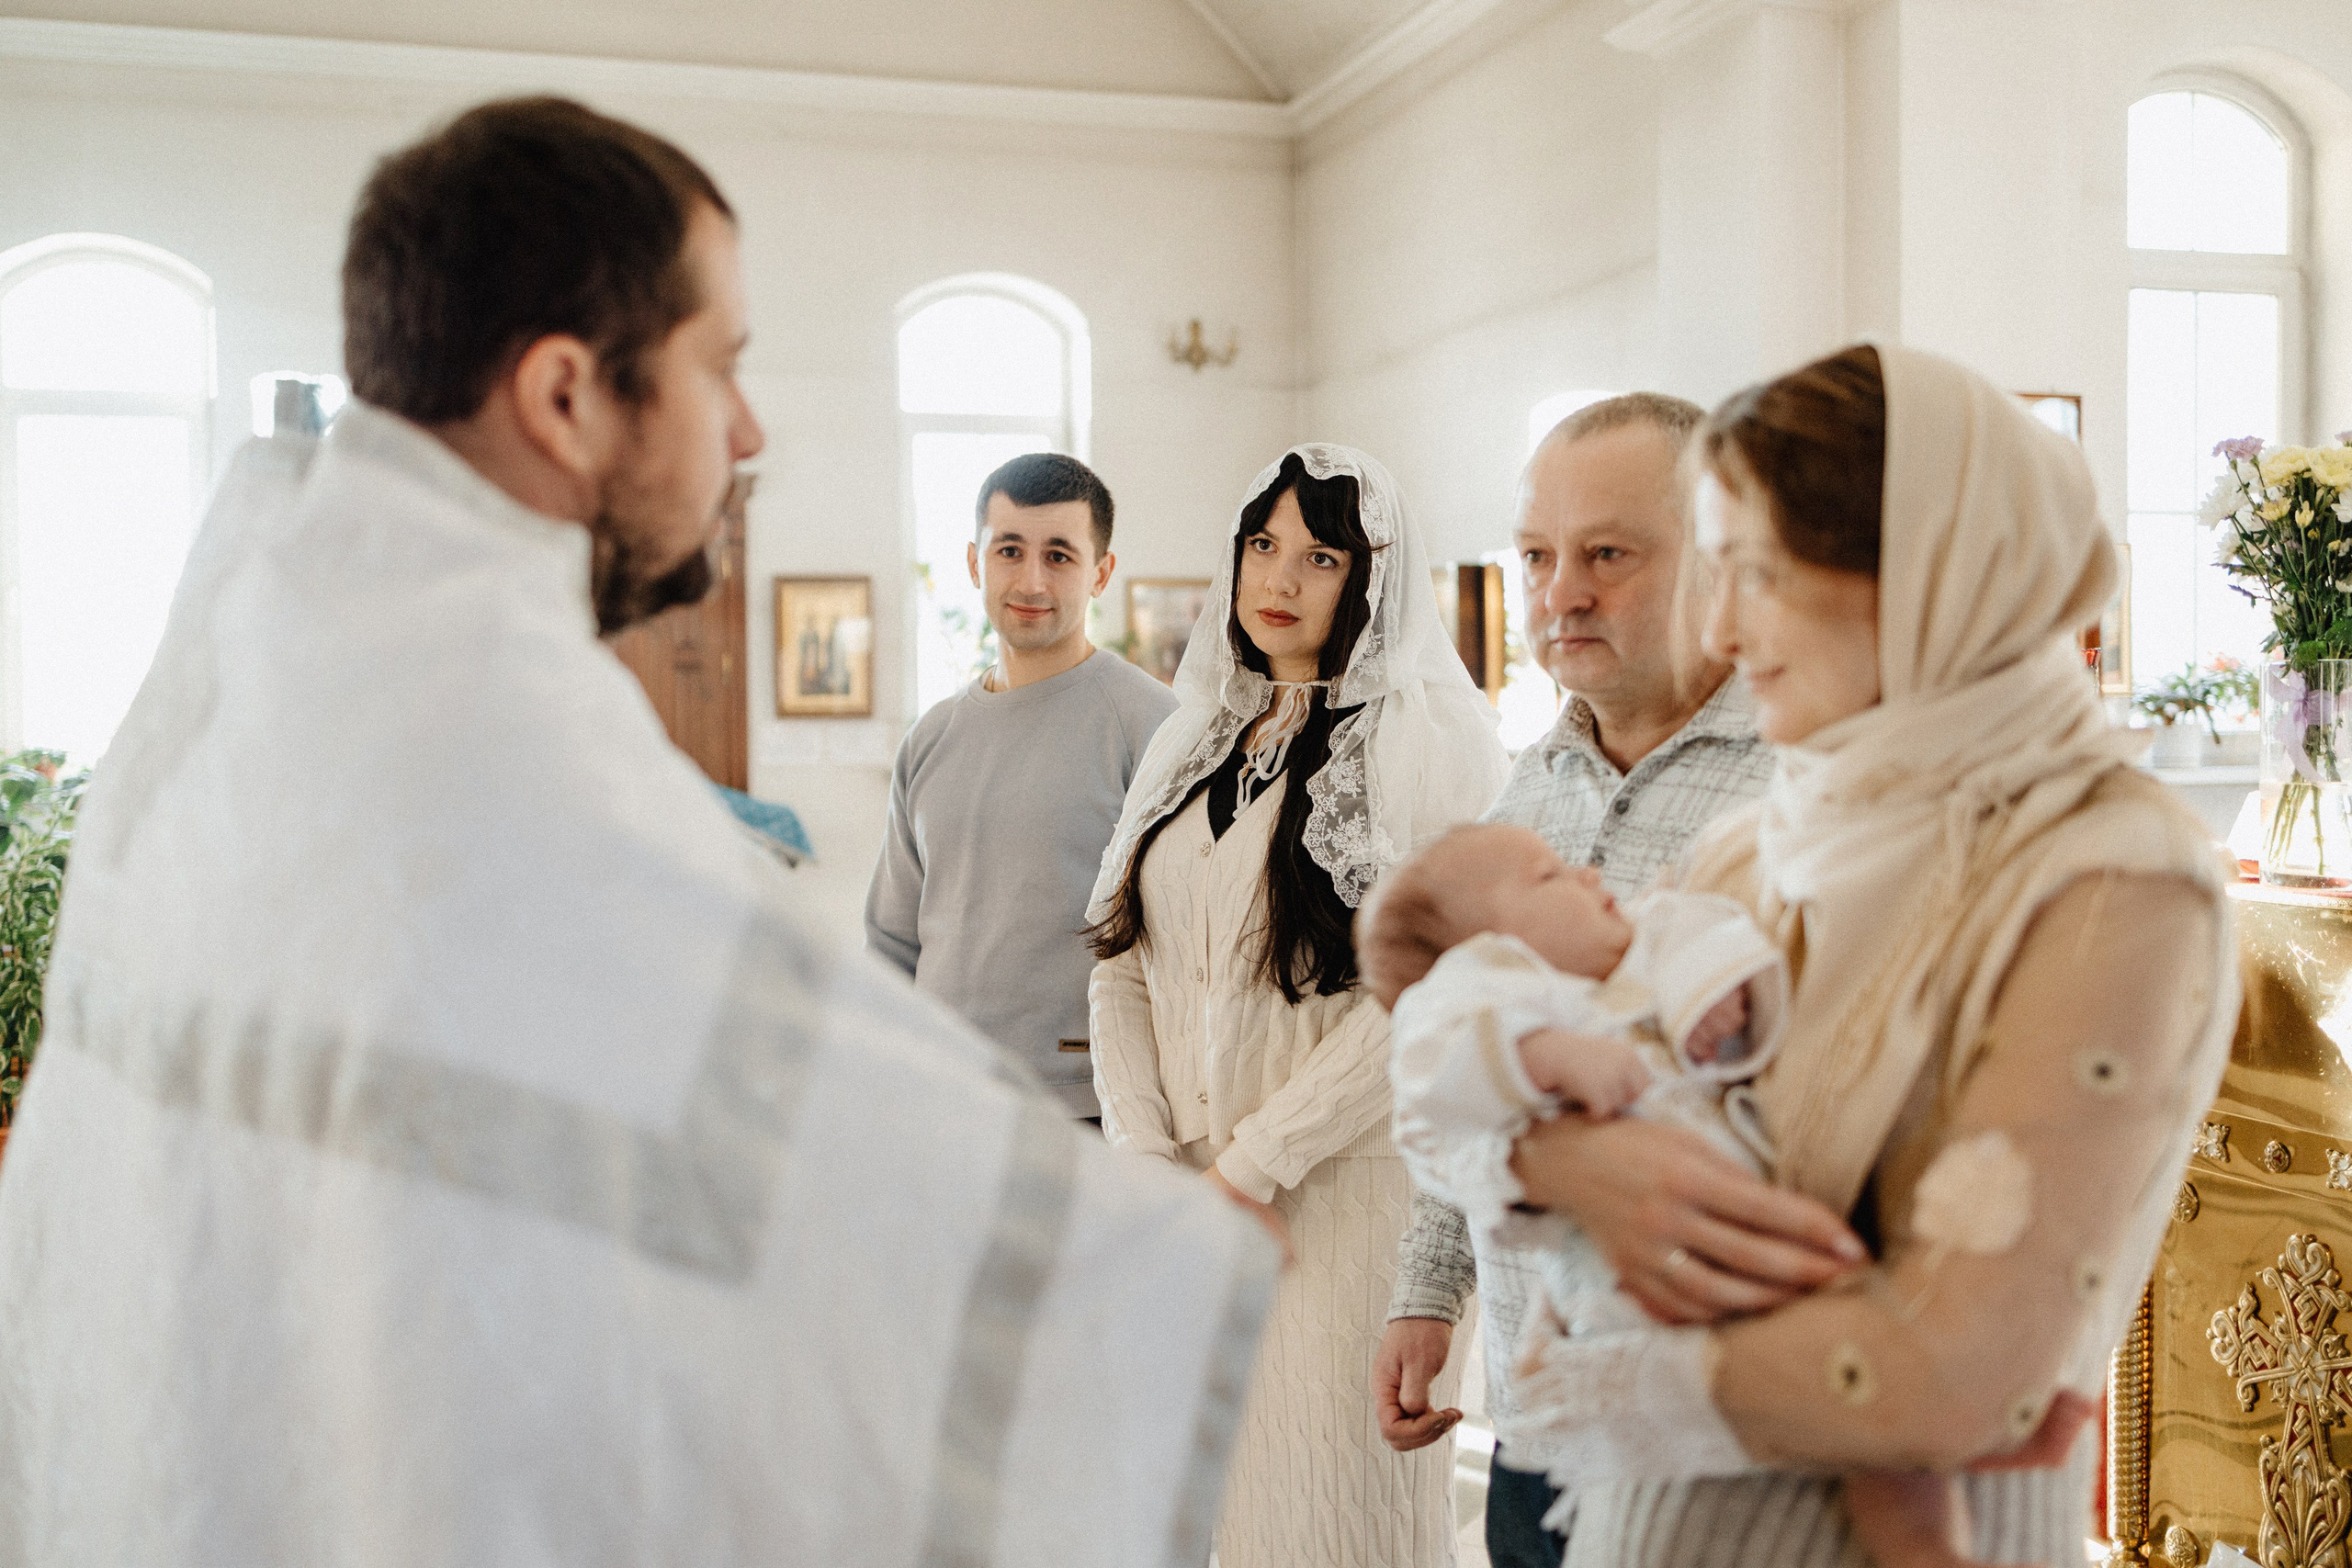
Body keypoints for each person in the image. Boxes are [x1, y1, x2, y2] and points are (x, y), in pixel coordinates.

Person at [0, 96, 1279, 1564]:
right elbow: (840, 1159)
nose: (749, 429)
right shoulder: (491, 733)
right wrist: (1222, 1243)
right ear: (566, 396)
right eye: (719, 365)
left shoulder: (247, 671)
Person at [1500, 343, 2236, 1565]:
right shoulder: (1755, 846)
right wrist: (1570, 1161)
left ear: (1925, 573)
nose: (1721, 632)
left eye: (1759, 576)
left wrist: (1583, 1376)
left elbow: (1944, 1376)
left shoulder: (2112, 873)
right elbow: (1546, 1099)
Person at [1373, 394, 1814, 1568]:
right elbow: (1467, 1059)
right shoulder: (1522, 800)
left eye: (1606, 554)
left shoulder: (1804, 793)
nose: (1559, 591)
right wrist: (1429, 1291)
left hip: (1721, 1433)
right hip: (1538, 1412)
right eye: (1536, 556)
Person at [1363, 824, 2018, 1568]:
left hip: (1755, 1217)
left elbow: (1702, 930)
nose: (1584, 873)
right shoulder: (1490, 993)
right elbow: (1426, 1080)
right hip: (1628, 1286)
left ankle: (1939, 1481)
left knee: (1864, 1334)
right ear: (1484, 948)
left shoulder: (1643, 935)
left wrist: (1714, 993)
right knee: (1770, 1388)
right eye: (1548, 878)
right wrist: (1546, 1056)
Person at [1087, 445, 1510, 1567]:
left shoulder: (1434, 743)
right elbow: (1119, 960)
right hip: (1191, 1199)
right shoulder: (1192, 739)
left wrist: (1253, 1168)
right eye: (1262, 546)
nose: (1279, 578)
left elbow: (1431, 988)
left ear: (1370, 578)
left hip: (1348, 1207)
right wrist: (1148, 1157)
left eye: (1320, 556)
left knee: (1333, 1527)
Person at [866, 452, 1178, 1117]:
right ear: (977, 563)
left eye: (1060, 555)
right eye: (1010, 550)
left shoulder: (1154, 726)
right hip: (941, 1096)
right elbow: (892, 943)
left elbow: (1192, 946)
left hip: (1089, 1110)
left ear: (1101, 572)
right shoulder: (930, 739)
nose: (1031, 579)